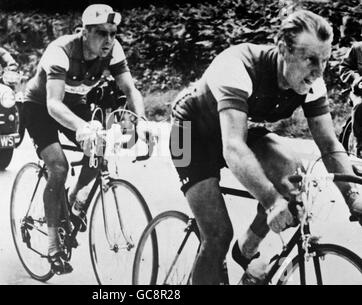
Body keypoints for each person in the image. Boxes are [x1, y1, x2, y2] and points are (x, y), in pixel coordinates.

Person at [169, 10, 362, 285]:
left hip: (234, 127)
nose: (319, 72)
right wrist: (271, 202)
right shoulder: (239, 65)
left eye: (325, 60)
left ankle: (246, 249)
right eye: (310, 60)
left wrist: (353, 198)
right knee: (217, 235)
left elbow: (329, 144)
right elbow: (233, 147)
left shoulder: (311, 82)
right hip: (188, 133)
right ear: (283, 49)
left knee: (293, 177)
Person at [22, 4, 147, 274]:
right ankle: (53, 245)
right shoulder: (61, 51)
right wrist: (82, 127)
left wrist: (142, 121)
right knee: (58, 166)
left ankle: (75, 199)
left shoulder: (113, 49)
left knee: (99, 148)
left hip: (75, 102)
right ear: (84, 32)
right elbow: (53, 104)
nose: (109, 40)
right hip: (40, 106)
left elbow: (130, 88)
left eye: (113, 33)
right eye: (102, 33)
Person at [340, 41, 362, 157]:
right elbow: (344, 68)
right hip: (360, 92)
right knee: (360, 105)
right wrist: (356, 78)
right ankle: (360, 146)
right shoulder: (358, 48)